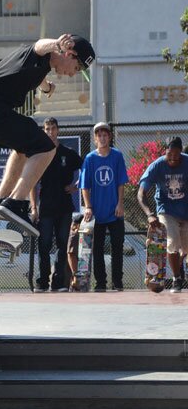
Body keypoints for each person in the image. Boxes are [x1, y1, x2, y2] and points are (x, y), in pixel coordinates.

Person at [0, 34, 95, 237]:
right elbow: (39, 46)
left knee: (23, 149)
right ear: (69, 53)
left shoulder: (42, 67)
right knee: (47, 147)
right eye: (76, 69)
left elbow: (36, 72)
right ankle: (16, 202)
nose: (71, 75)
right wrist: (56, 43)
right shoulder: (39, 53)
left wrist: (46, 86)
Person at [31, 117, 83, 292]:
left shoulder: (67, 153)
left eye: (53, 128)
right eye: (47, 129)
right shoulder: (39, 154)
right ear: (44, 131)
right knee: (44, 245)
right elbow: (31, 181)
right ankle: (42, 282)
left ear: (58, 130)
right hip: (45, 207)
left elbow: (86, 168)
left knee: (62, 245)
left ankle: (59, 282)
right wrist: (34, 207)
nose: (50, 132)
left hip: (64, 207)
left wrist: (76, 186)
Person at [79, 122, 128, 292]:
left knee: (117, 247)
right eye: (99, 135)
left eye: (105, 135)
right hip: (97, 213)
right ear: (95, 138)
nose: (102, 138)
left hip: (115, 212)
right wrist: (88, 207)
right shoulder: (90, 159)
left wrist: (120, 203)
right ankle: (100, 282)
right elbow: (84, 185)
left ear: (110, 137)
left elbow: (121, 182)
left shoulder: (117, 156)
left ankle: (117, 281)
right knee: (97, 249)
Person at [138, 136, 188, 293]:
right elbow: (141, 193)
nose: (172, 158)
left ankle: (180, 267)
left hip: (185, 210)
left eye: (176, 154)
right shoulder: (157, 166)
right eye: (169, 154)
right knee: (172, 240)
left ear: (181, 152)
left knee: (185, 247)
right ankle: (177, 279)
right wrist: (150, 214)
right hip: (166, 210)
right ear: (165, 152)